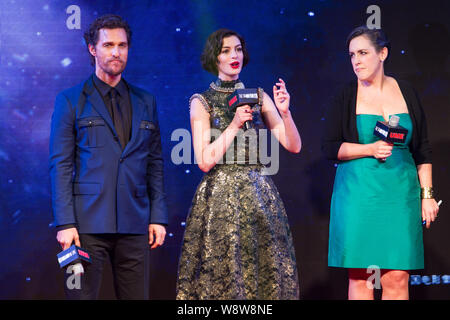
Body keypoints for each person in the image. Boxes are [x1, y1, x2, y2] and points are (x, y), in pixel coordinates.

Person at [176, 29, 301, 299]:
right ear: (215, 58)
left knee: (261, 275)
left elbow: (293, 145)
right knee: (224, 276)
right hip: (219, 200)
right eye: (226, 51)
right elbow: (204, 161)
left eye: (238, 49)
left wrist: (285, 112)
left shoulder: (259, 96)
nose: (234, 56)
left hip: (258, 196)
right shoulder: (202, 102)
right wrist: (233, 124)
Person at [49, 14, 168, 299]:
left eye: (123, 45)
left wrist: (158, 216)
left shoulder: (146, 100)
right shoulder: (70, 99)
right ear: (93, 49)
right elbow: (60, 165)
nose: (116, 52)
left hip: (135, 225)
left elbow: (154, 163)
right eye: (108, 45)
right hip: (85, 226)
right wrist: (65, 223)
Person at [322, 26, 440, 300]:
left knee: (397, 277)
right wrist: (369, 148)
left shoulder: (407, 91)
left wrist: (427, 196)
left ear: (383, 53)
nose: (356, 61)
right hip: (359, 194)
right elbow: (329, 148)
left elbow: (422, 149)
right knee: (362, 277)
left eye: (363, 53)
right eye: (352, 55)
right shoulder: (345, 95)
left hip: (400, 195)